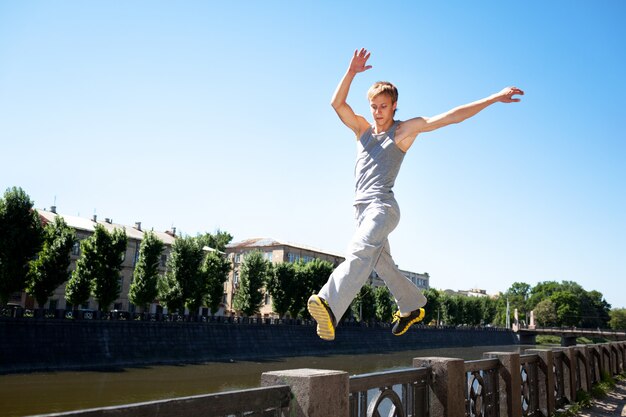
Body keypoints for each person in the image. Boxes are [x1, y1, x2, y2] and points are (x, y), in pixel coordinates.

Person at [307, 48, 524, 341]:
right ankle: (411, 306)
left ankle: (330, 307)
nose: (378, 112)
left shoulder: (402, 131)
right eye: (374, 106)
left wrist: (494, 97)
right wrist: (351, 73)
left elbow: (450, 118)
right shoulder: (362, 130)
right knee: (382, 265)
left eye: (384, 106)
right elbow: (337, 103)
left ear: (394, 106)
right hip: (360, 212)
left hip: (382, 208)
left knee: (358, 250)